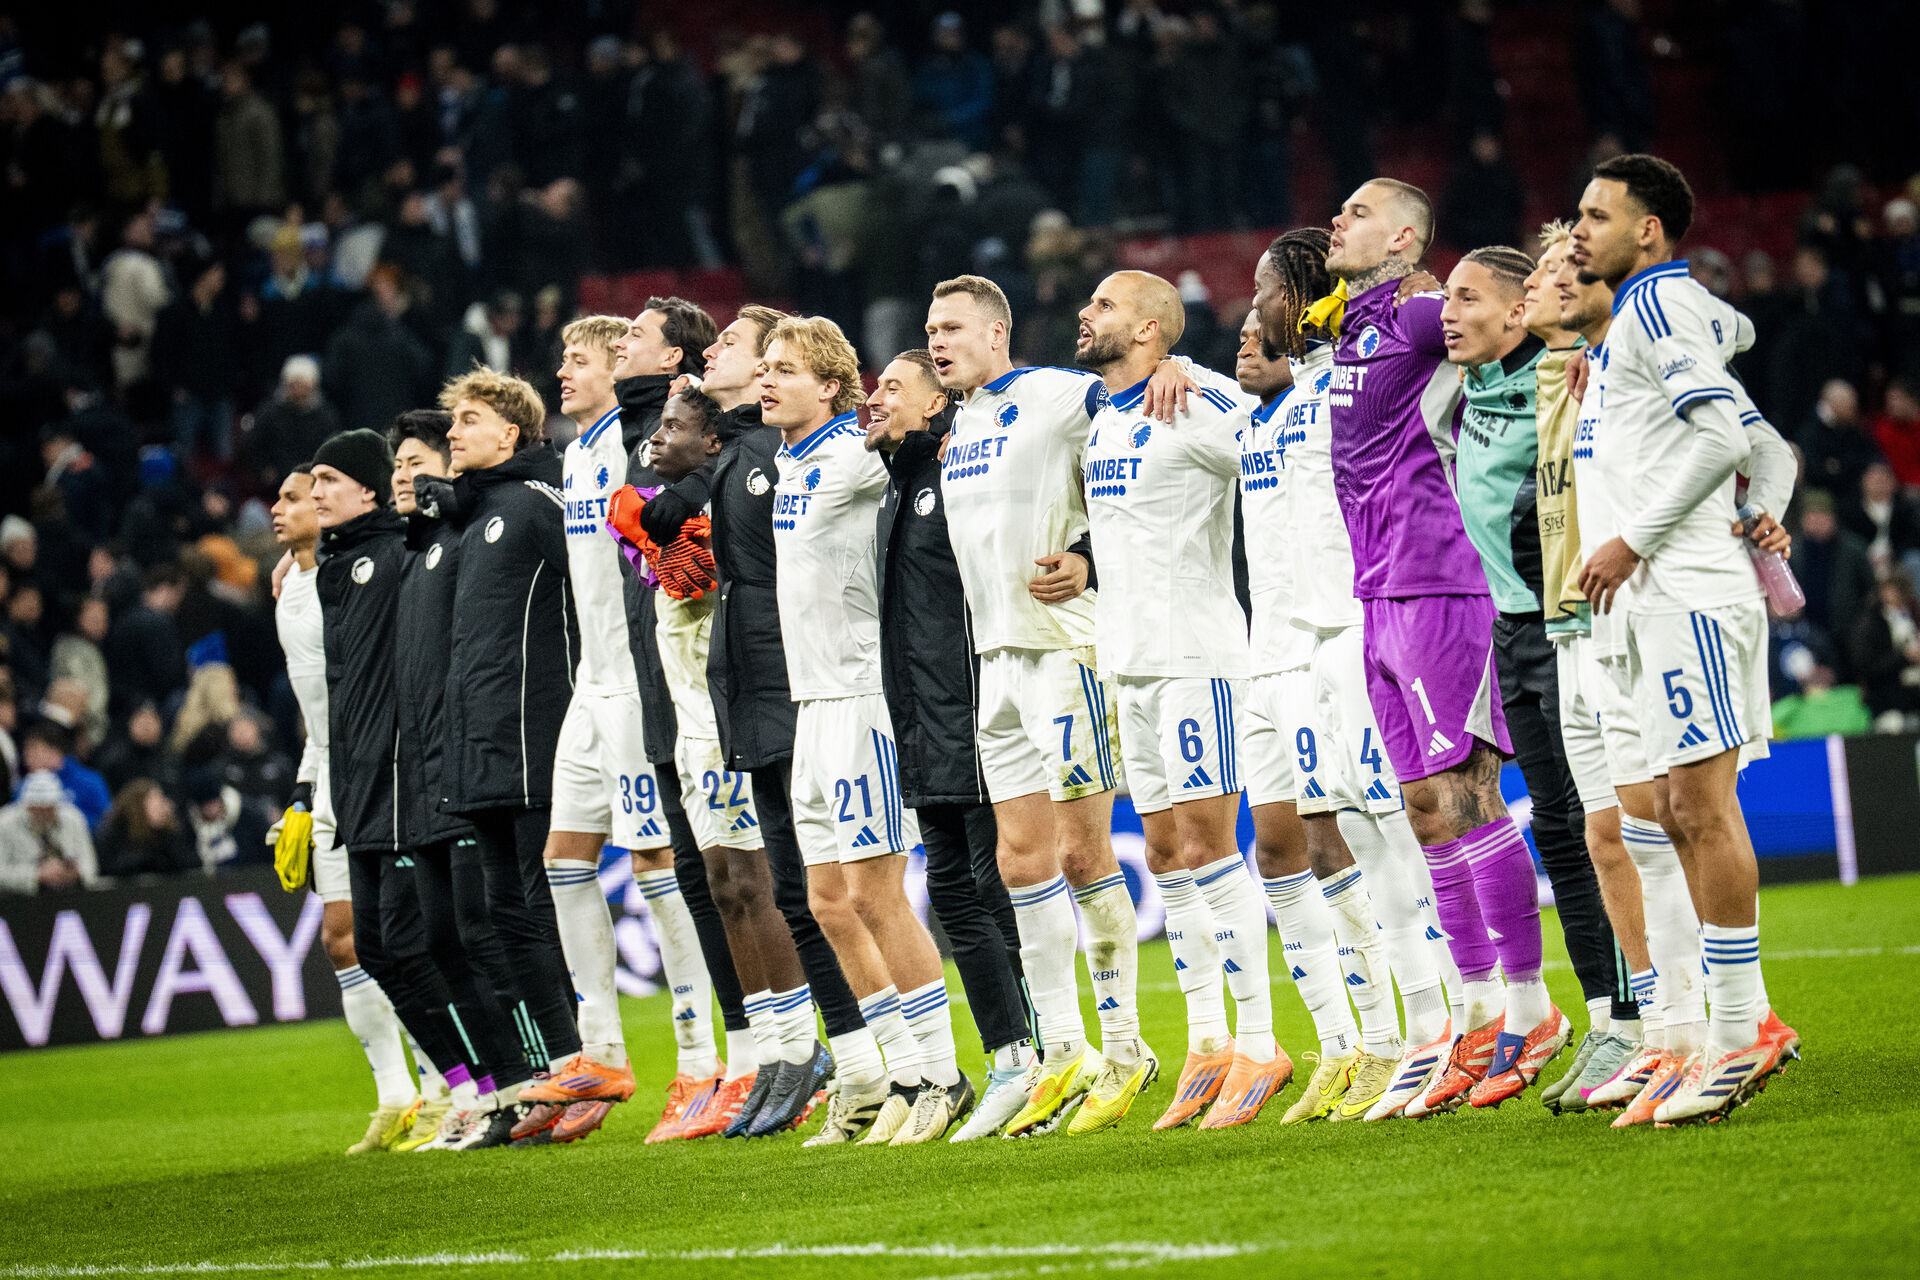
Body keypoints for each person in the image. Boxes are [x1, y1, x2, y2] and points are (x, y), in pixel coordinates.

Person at [1316, 178, 1555, 1112]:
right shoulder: (1353, 325)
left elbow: (1509, 321)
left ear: (1406, 237)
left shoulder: (1419, 313)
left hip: (1439, 582)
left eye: (1359, 211)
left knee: (1463, 792)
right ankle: (1477, 1009)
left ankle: (1529, 1007)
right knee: (1421, 805)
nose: (1341, 219)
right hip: (1376, 591)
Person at [1572, 153, 1801, 1124]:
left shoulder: (1660, 309)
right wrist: (1768, 508)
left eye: (1597, 215)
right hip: (1665, 597)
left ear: (1650, 232)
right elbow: (1762, 446)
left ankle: (1742, 1022)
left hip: (1689, 595)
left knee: (1698, 809)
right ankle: (1719, 1026)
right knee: (1672, 803)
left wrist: (1633, 540)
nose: (1579, 230)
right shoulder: (1647, 319)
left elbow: (1720, 442)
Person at [1242, 230, 1463, 1123]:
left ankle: (1456, 1022)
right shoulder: (1284, 399)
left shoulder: (1351, 378)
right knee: (1360, 844)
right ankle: (1401, 1039)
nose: (1250, 308)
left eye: (1262, 289)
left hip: (1366, 627)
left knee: (1399, 834)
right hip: (1306, 647)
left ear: (1296, 295)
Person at [929, 273, 1145, 1137]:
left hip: (1067, 652)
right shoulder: (962, 426)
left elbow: (1135, 432)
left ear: (996, 332)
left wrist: (1090, 553)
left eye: (951, 328)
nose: (938, 341)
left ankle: (1127, 1046)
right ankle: (1065, 1052)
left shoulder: (1058, 396)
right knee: (1021, 865)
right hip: (998, 663)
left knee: (1083, 853)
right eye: (931, 330)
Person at [1076, 269, 1287, 1131]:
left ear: (1153, 329)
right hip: (1127, 663)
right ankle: (1206, 1043)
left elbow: (1271, 438)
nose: (1087, 316)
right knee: (1165, 855)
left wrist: (1200, 375)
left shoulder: (1191, 401)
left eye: (1106, 307)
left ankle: (1261, 1041)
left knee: (1208, 845)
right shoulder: (1101, 416)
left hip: (1198, 655)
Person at [505, 314, 717, 1148]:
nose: (565, 371)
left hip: (635, 684)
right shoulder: (579, 454)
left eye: (581, 358)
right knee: (564, 860)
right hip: (588, 687)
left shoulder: (643, 443)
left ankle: (701, 1060)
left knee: (659, 862)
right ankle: (601, 1053)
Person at [615, 386, 846, 1139]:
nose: (657, 438)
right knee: (721, 884)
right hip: (688, 712)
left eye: (675, 427)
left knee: (755, 878)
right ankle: (772, 1056)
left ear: (713, 440)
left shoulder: (737, 496)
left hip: (729, 705)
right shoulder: (678, 506)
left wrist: (702, 558)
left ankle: (802, 1050)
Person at [760, 315, 965, 1148]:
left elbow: (921, 447)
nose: (769, 380)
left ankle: (944, 1076)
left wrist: (937, 425)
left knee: (875, 893)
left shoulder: (852, 455)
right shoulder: (791, 463)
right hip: (809, 708)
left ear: (832, 389)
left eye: (786, 369)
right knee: (826, 901)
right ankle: (897, 1073)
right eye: (765, 366)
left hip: (858, 701)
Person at [1440, 242, 1633, 1101]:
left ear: (1519, 311)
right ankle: (1605, 1018)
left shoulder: (1563, 378)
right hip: (1510, 630)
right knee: (1557, 828)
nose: (1449, 312)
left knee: (1605, 827)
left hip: (1570, 627)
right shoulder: (1458, 386)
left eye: (1469, 297)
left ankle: (1651, 1016)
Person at [698, 308, 875, 1139]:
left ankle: (902, 1062)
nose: (749, 368)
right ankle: (851, 1062)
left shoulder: (832, 456)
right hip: (772, 691)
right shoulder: (773, 456)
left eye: (770, 358)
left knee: (855, 893)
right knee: (802, 894)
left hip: (831, 696)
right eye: (754, 361)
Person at [864, 350, 1039, 1141]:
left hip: (972, 713)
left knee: (982, 889)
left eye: (893, 388)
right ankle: (1017, 1055)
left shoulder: (956, 481)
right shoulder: (898, 487)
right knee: (962, 893)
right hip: (922, 720)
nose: (878, 399)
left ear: (940, 404)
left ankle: (1029, 1058)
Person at [602, 300, 760, 1140]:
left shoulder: (725, 447)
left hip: (721, 685)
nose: (610, 349)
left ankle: (775, 1053)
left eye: (630, 338)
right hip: (653, 679)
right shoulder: (616, 444)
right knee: (710, 881)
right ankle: (736, 1058)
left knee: (761, 881)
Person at [1513, 224, 1661, 1113]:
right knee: (1599, 836)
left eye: (1554, 270)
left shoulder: (1624, 358)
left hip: (1622, 617)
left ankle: (1706, 1019)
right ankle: (1637, 1023)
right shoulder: (1558, 375)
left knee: (1657, 824)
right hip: (1564, 621)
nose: (1541, 285)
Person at [426, 368, 586, 1143]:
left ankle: (583, 1064)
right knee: (499, 921)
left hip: (533, 739)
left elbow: (595, 595)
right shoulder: (475, 519)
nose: (452, 433)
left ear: (511, 434)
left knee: (533, 911)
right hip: (479, 746)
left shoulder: (535, 504)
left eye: (468, 420)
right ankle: (550, 1075)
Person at [388, 409, 532, 1151]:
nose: (404, 477)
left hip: (467, 763)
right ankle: (496, 1090)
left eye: (418, 461)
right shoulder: (417, 553)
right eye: (397, 467)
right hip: (423, 776)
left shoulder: (462, 539)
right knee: (443, 938)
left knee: (483, 933)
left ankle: (530, 1079)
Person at [268, 463, 417, 1154]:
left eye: (294, 497)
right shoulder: (289, 589)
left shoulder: (349, 575)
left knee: (396, 933)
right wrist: (302, 789)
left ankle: (451, 1086)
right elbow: (317, 711)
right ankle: (395, 1094)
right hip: (329, 775)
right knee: (341, 938)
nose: (281, 507)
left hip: (381, 770)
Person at [0, 770, 97, 893]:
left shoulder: (73, 818)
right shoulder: (4, 823)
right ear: (27, 806)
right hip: (19, 900)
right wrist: (36, 875)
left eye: (49, 808)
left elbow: (89, 864)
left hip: (69, 894)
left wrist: (76, 873)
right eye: (39, 808)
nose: (44, 813)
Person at [94, 779, 199, 879]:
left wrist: (167, 838)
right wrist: (148, 855)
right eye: (157, 803)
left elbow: (191, 862)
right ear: (138, 806)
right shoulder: (114, 830)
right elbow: (111, 868)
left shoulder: (168, 832)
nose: (163, 807)